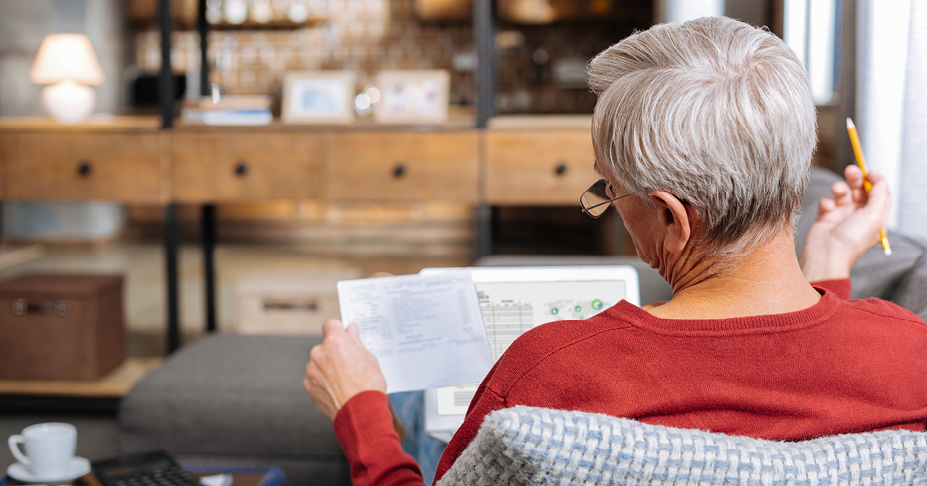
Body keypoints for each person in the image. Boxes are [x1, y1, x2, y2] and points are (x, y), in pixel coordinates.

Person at [303, 16, 927, 486]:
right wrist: (829, 275)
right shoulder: (911, 355)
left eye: (609, 188)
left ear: (671, 217)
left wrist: (359, 412)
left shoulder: (550, 374)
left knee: (407, 401)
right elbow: (800, 414)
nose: (607, 201)